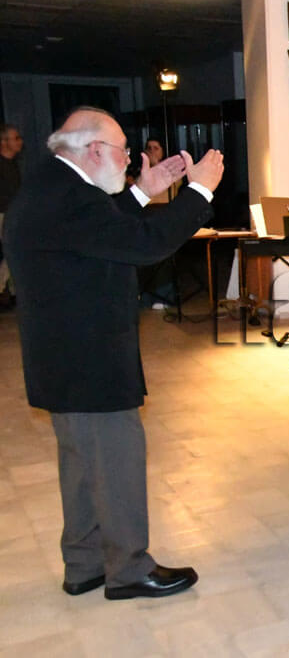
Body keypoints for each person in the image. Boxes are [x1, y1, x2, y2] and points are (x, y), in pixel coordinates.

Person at [2, 106, 224, 599]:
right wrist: (200, 191)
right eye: (124, 151)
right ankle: (128, 569)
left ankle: (84, 563)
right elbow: (142, 244)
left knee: (83, 465)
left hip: (65, 358)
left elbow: (101, 231)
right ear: (95, 150)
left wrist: (144, 191)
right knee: (116, 463)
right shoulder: (68, 198)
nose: (129, 159)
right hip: (90, 359)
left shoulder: (54, 188)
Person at [0, 123, 23, 310]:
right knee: (12, 251)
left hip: (11, 213)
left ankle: (14, 293)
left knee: (14, 251)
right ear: (3, 141)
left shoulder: (12, 164)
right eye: (15, 138)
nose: (20, 142)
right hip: (3, 214)